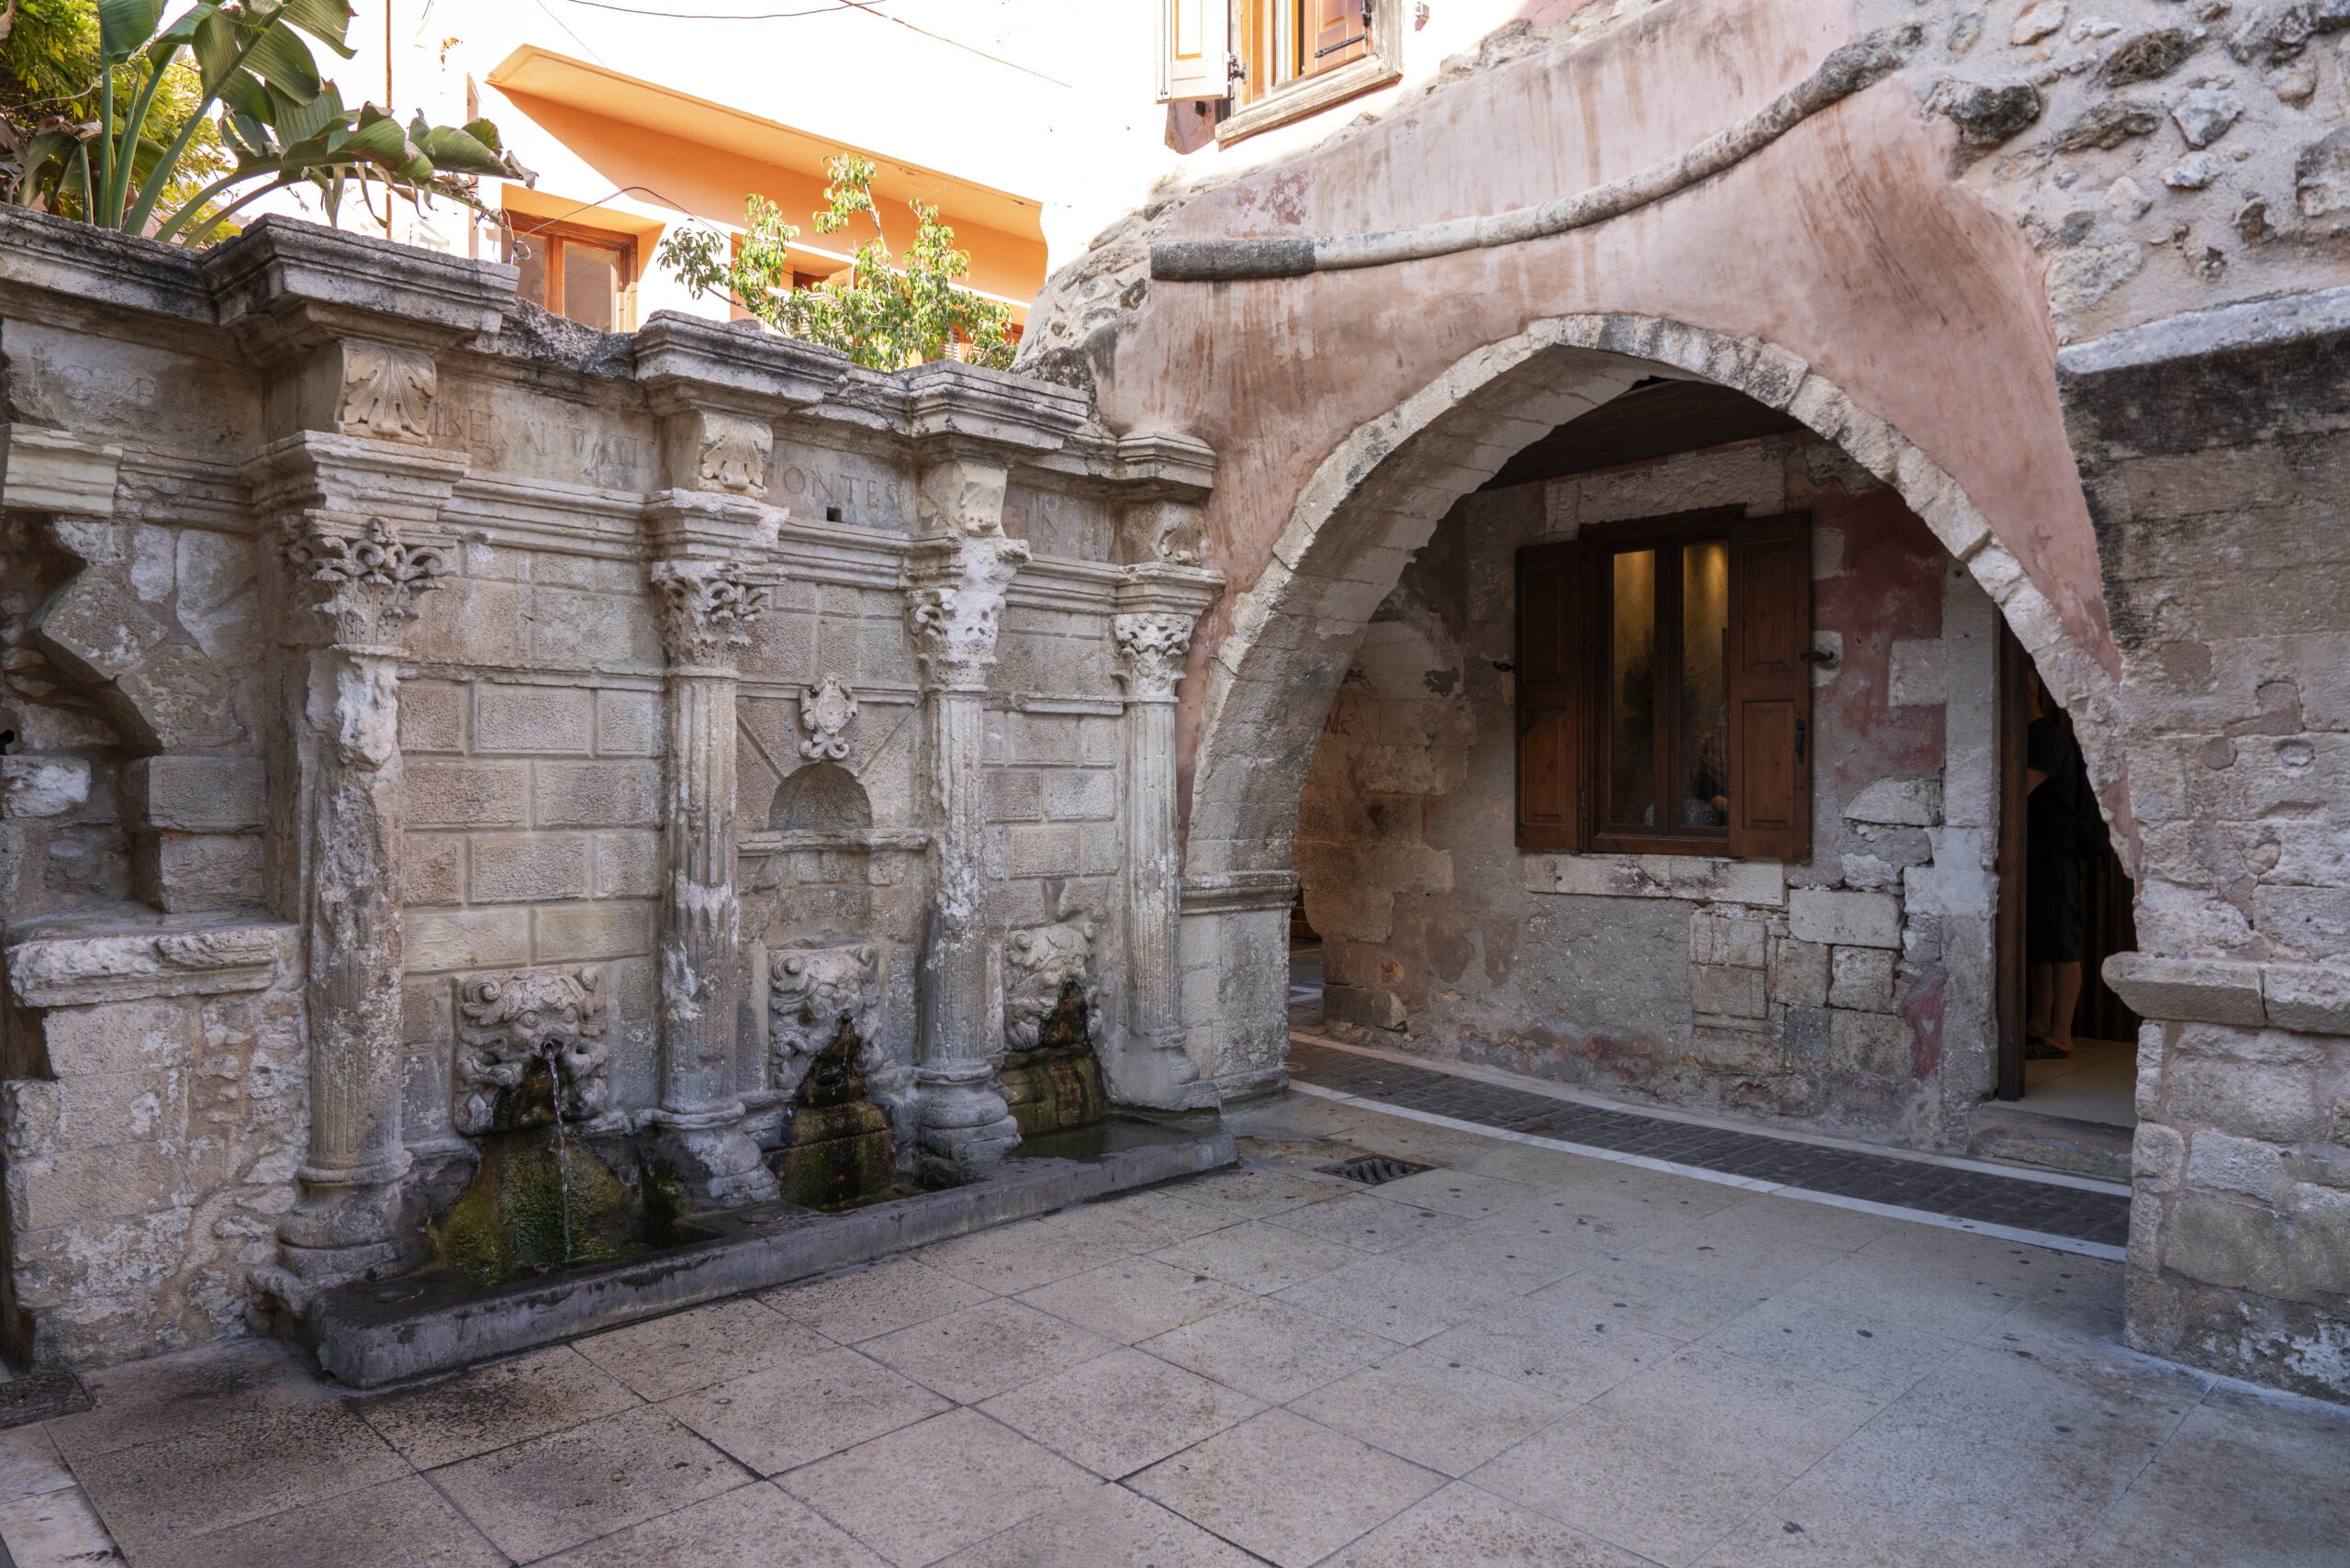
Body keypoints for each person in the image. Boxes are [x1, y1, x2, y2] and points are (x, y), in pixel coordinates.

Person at [2024, 675, 2086, 1057]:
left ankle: (2061, 1035)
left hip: (2054, 855)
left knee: (2061, 945)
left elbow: (2017, 788)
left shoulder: (2049, 738)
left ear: (2028, 693)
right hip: (2032, 855)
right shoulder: (2027, 739)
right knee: (2038, 944)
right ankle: (2038, 1023)